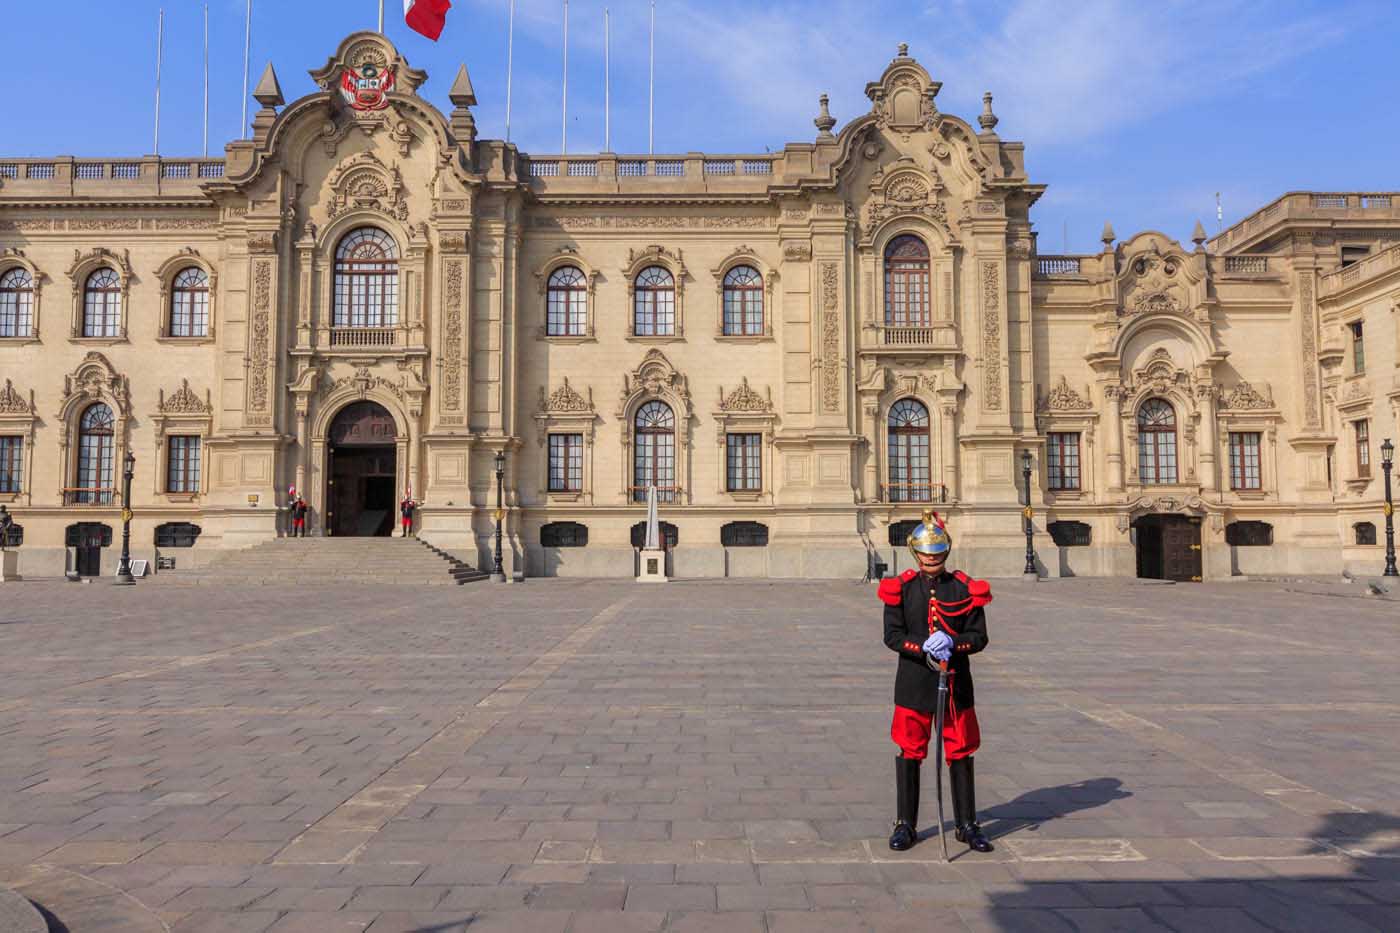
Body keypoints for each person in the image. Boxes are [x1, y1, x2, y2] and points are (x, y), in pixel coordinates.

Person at [877, 510, 993, 853]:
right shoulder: (901, 588)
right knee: (910, 750)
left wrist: (953, 643)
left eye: (937, 552)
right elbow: (892, 636)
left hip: (955, 685)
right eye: (926, 553)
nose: (931, 558)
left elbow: (979, 636)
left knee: (961, 750)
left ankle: (967, 824)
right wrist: (921, 646)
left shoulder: (964, 588)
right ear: (916, 553)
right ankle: (905, 824)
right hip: (914, 682)